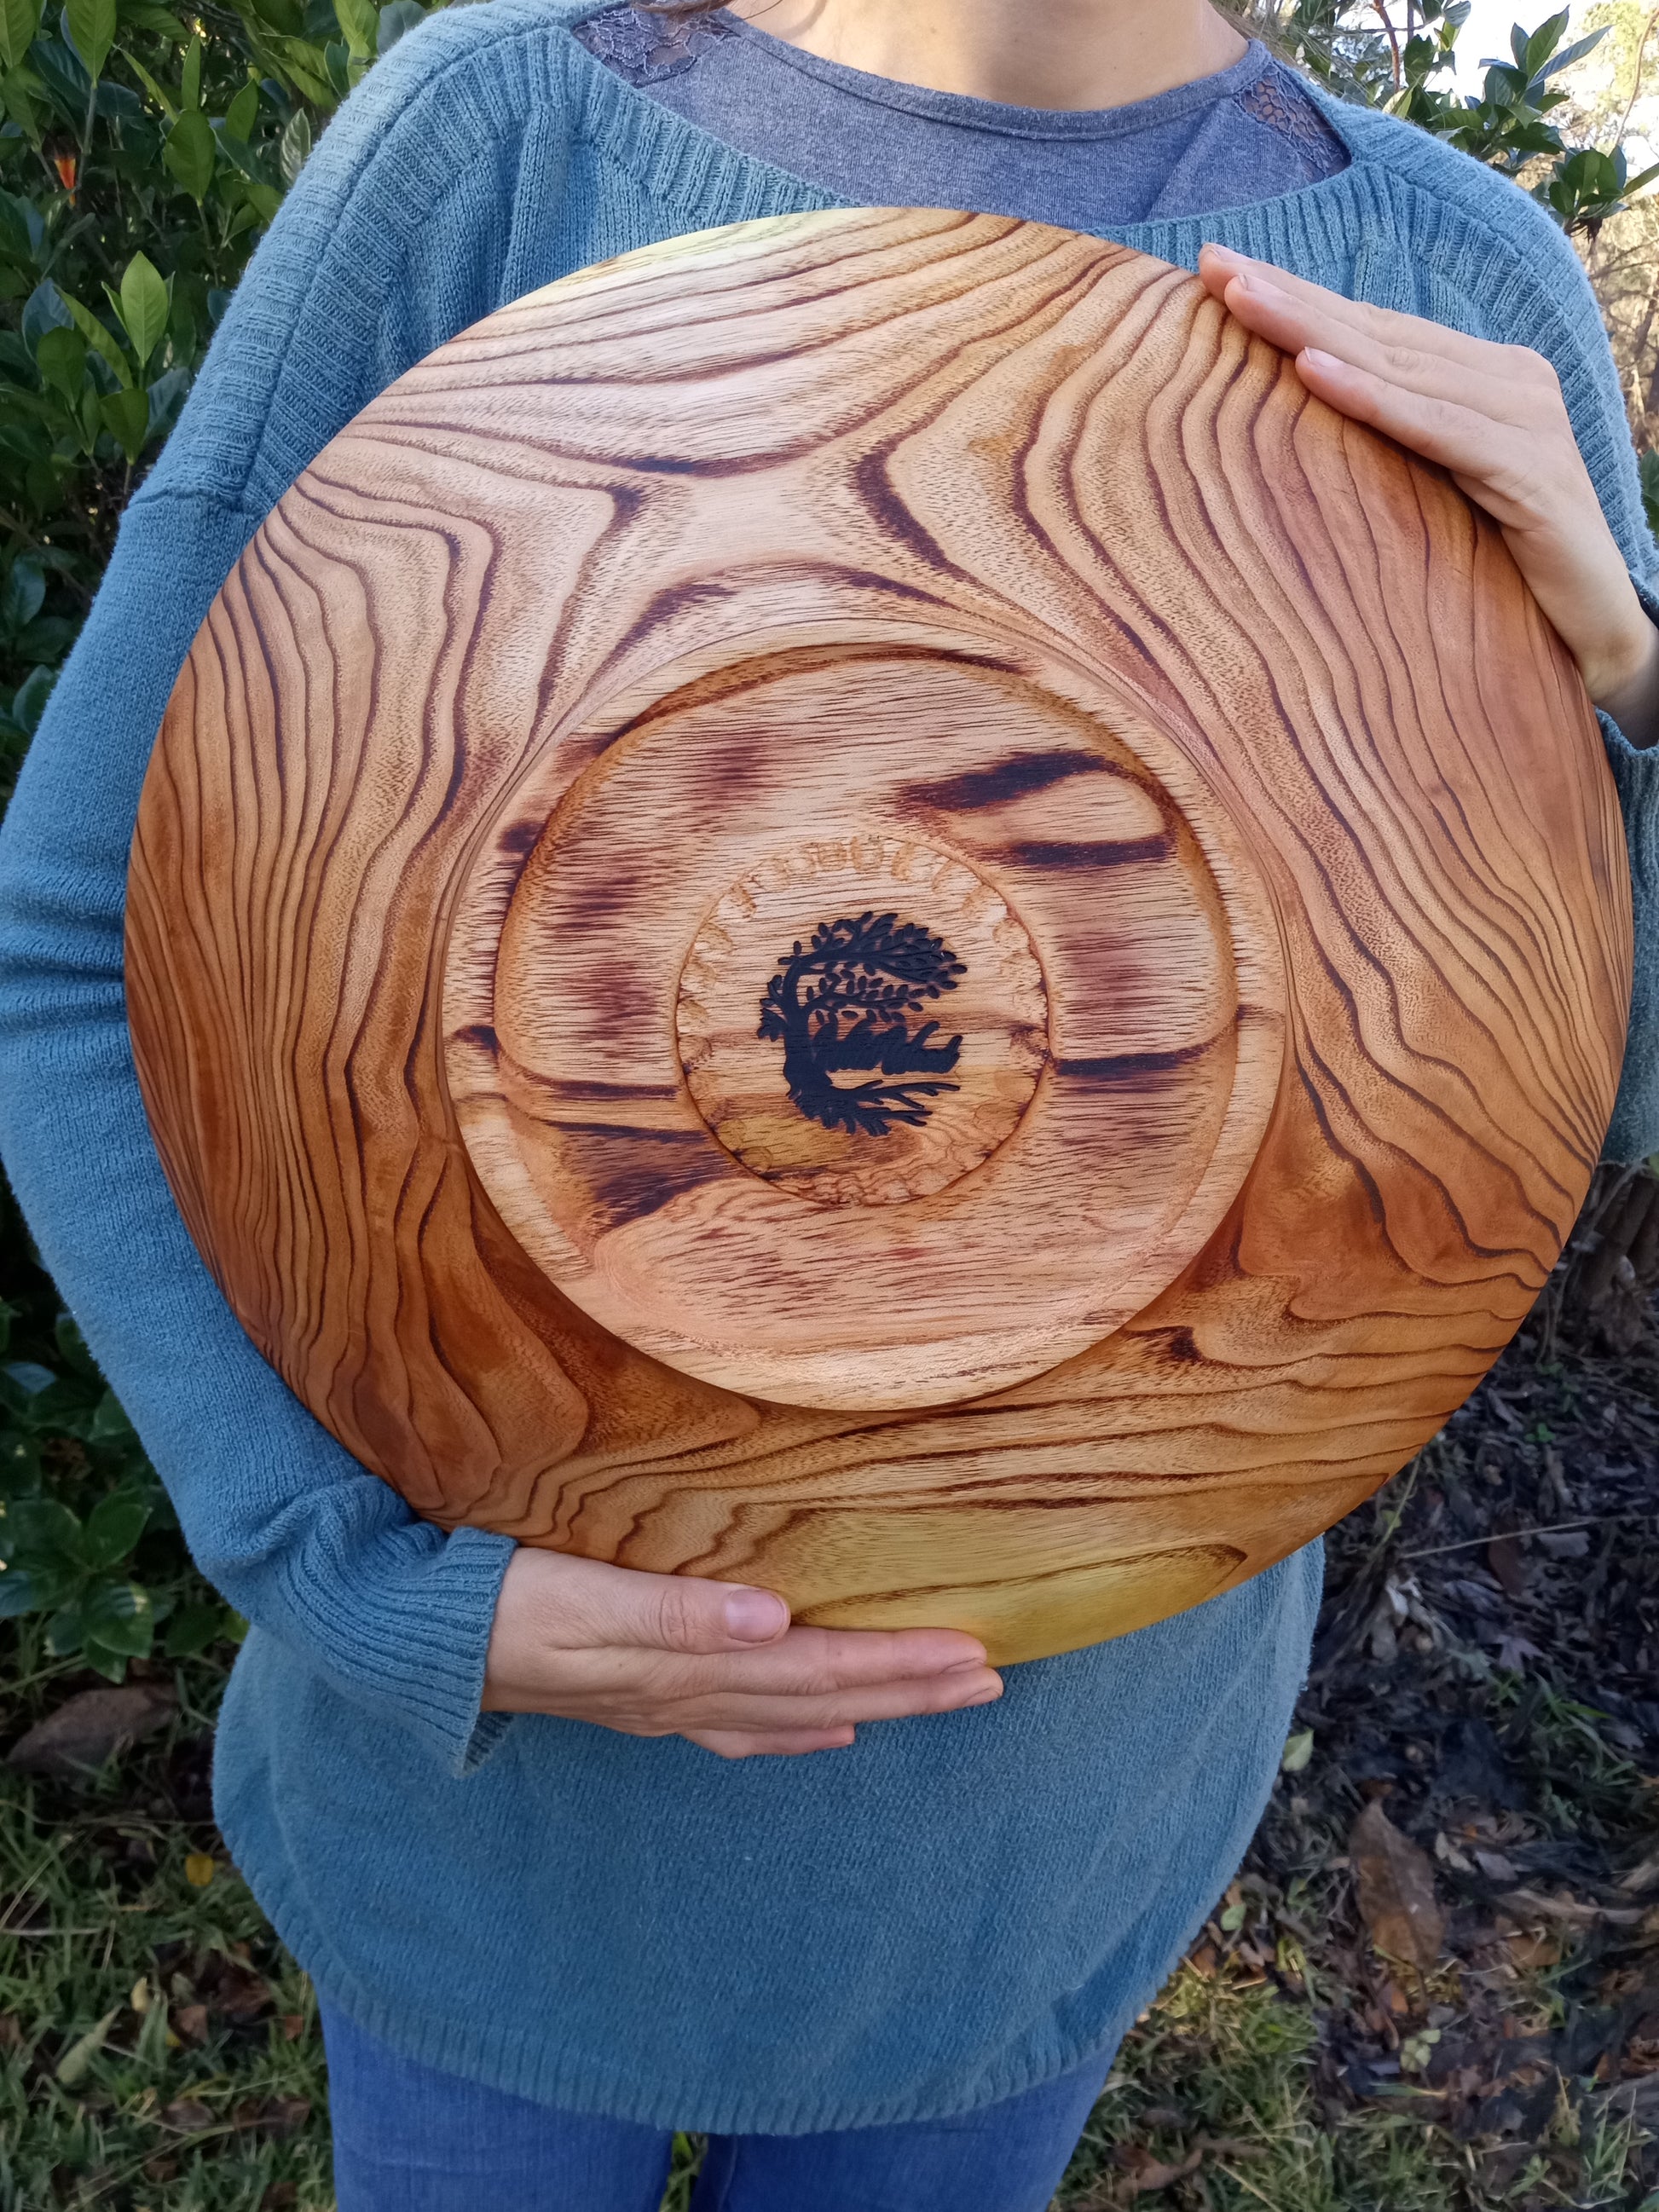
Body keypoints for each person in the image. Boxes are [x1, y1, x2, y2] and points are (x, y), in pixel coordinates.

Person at [1, 1, 1655, 2205]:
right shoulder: (505, 139)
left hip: (1025, 1845)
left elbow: (1587, 1104)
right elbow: (73, 942)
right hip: (498, 1808)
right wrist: (354, 1573)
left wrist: (1631, 679)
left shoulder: (1447, 276)